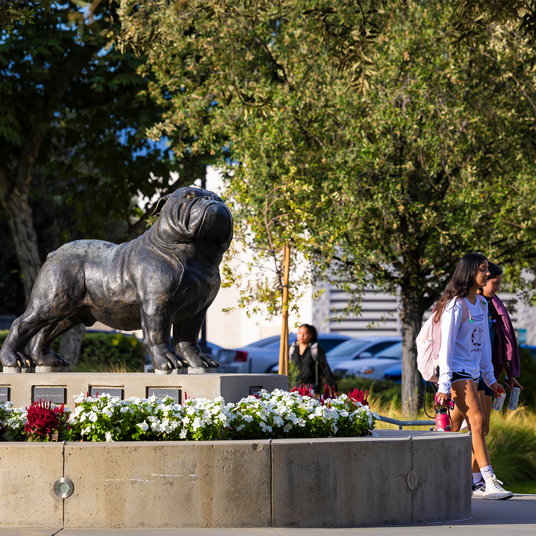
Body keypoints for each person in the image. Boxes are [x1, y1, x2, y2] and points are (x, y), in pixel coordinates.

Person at [434, 253, 513, 500]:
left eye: (487, 269)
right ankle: (488, 482)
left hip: (475, 373)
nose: (487, 274)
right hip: (457, 372)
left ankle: (437, 474)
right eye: (483, 269)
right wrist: (444, 386)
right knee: (477, 423)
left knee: (455, 427)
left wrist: (490, 379)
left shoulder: (480, 304)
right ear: (469, 272)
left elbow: (483, 347)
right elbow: (445, 348)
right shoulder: (455, 305)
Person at [290, 324, 337, 393]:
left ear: (310, 335)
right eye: (300, 333)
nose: (302, 336)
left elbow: (325, 368)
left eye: (305, 333)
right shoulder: (292, 348)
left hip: (312, 386)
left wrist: (334, 388)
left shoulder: (315, 348)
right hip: (295, 386)